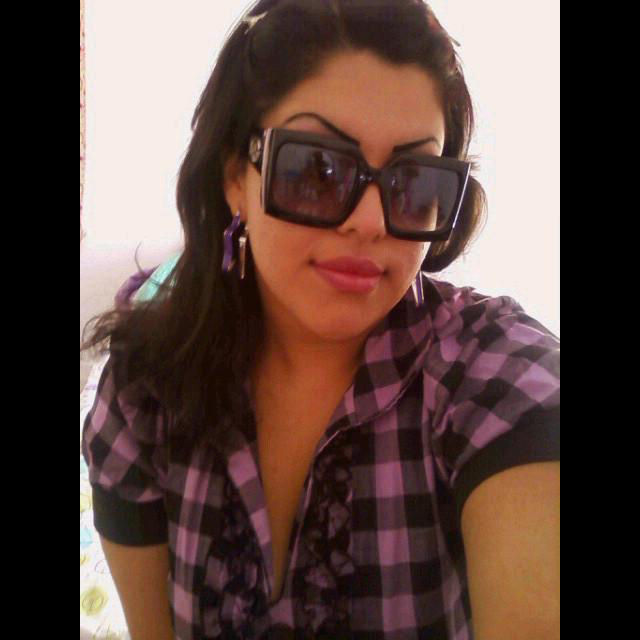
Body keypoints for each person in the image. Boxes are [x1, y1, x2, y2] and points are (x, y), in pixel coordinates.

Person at [81, 1, 560, 638]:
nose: (370, 221)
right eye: (316, 169)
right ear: (236, 177)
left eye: (415, 182)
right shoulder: (143, 392)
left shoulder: (491, 376)